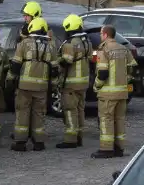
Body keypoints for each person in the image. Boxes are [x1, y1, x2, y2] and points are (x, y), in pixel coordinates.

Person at [10, 17, 55, 151]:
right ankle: (39, 142)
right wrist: (52, 84)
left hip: (24, 86)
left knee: (22, 113)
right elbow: (55, 69)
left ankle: (20, 143)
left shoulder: (23, 44)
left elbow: (15, 65)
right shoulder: (50, 46)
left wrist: (12, 80)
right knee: (39, 114)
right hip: (42, 87)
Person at [92, 25, 137, 159]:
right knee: (119, 120)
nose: (100, 36)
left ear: (105, 35)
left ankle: (106, 149)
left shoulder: (103, 49)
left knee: (106, 119)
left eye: (101, 33)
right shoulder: (124, 49)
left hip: (108, 93)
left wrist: (96, 86)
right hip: (122, 92)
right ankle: (119, 148)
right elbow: (132, 67)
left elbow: (103, 73)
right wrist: (125, 81)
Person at [57, 15, 91, 149]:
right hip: (84, 82)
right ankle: (79, 137)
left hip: (71, 84)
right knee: (80, 110)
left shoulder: (70, 43)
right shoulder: (86, 41)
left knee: (70, 110)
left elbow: (66, 61)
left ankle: (70, 139)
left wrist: (57, 63)